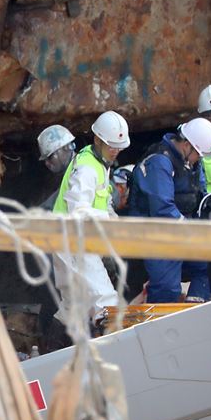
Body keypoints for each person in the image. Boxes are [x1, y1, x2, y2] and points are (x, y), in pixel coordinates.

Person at [125, 118, 211, 303]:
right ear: (186, 145)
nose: (199, 159)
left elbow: (201, 196)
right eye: (198, 154)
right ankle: (159, 326)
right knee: (167, 289)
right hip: (154, 233)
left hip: (180, 230)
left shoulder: (191, 162)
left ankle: (195, 310)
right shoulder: (159, 161)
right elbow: (162, 208)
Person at [51, 110, 130, 324]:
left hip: (68, 240)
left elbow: (103, 201)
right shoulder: (87, 168)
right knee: (106, 303)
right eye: (111, 145)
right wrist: (110, 220)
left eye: (119, 147)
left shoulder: (98, 162)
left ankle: (54, 348)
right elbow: (78, 210)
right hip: (72, 241)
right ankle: (117, 345)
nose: (115, 151)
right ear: (98, 139)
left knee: (73, 307)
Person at [37, 125, 76, 208]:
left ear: (66, 147)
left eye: (50, 157)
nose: (47, 163)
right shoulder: (70, 171)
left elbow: (58, 199)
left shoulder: (79, 170)